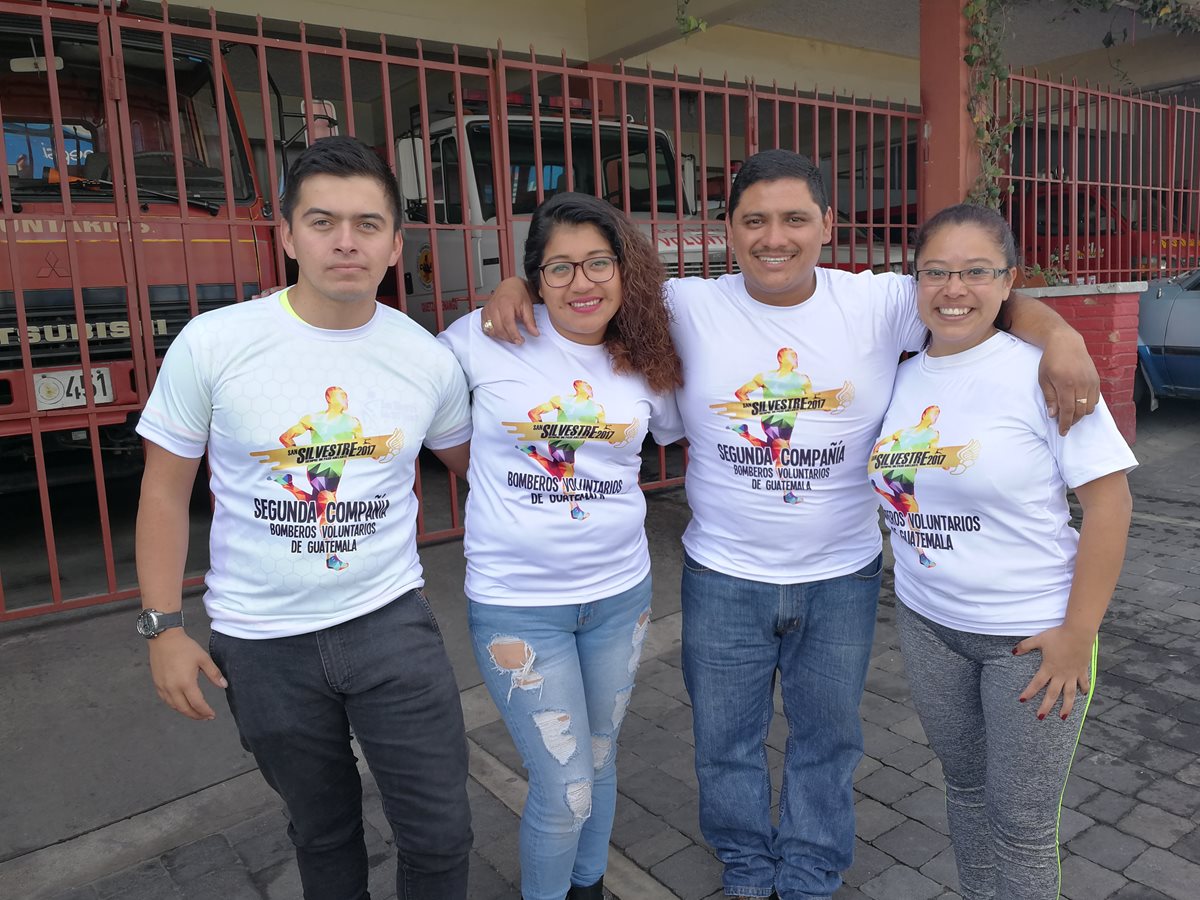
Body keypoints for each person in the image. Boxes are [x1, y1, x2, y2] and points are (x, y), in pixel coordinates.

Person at [479, 149, 1100, 900]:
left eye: (795, 219)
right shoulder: (685, 305)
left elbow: (980, 293)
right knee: (725, 744)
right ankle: (745, 869)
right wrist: (517, 284)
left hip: (841, 577)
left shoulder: (879, 301)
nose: (775, 238)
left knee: (828, 743)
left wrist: (1060, 337)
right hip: (723, 575)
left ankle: (809, 874)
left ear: (827, 224)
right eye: (756, 221)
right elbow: (589, 288)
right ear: (729, 229)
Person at [134, 135, 473, 900]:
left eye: (367, 224)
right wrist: (163, 628)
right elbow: (163, 491)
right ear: (287, 235)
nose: (345, 242)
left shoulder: (426, 358)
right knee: (322, 834)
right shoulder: (215, 344)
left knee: (442, 836)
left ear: (395, 244)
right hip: (261, 645)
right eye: (323, 222)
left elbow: (476, 468)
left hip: (391, 625)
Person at [869, 203, 1134, 900]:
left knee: (1021, 825)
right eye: (936, 271)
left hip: (1032, 637)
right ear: (914, 280)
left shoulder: (1046, 374)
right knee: (963, 791)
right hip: (929, 625)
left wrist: (1078, 635)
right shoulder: (900, 376)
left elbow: (1110, 506)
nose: (954, 289)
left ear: (1010, 281)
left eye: (976, 272)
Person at [437, 192, 684, 900]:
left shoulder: (644, 354)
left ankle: (588, 888)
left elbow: (671, 432)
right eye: (560, 267)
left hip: (619, 598)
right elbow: (433, 423)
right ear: (534, 278)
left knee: (598, 761)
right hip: (519, 606)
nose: (583, 283)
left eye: (599, 263)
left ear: (624, 269)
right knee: (565, 783)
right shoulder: (480, 339)